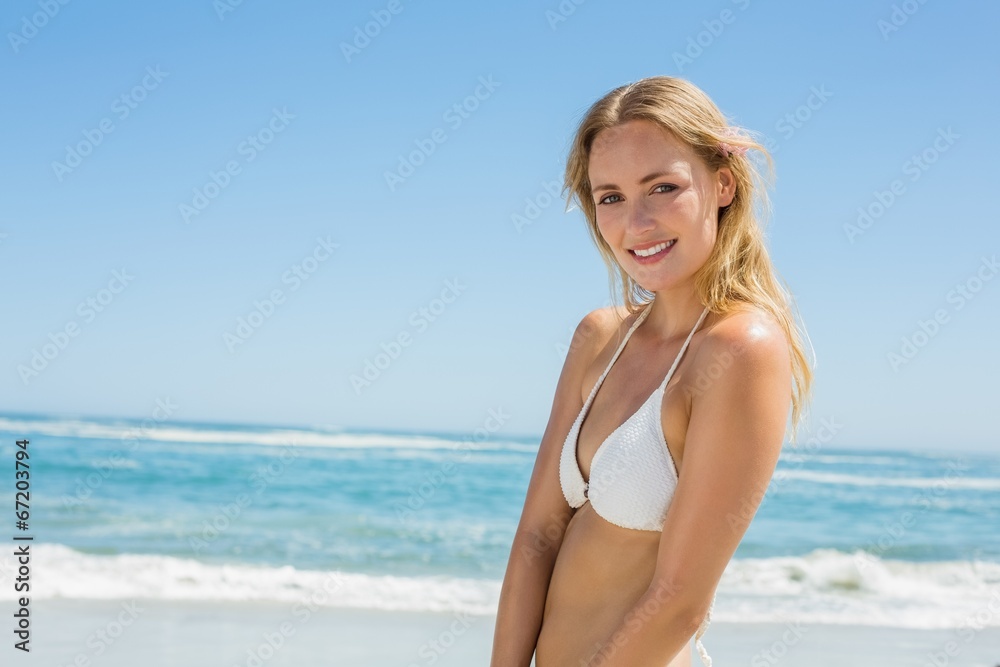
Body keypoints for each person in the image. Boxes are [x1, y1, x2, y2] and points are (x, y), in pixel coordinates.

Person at [490, 75, 814, 667]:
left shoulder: (739, 350)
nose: (635, 223)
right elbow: (537, 537)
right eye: (609, 196)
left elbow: (680, 601)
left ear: (723, 182)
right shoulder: (599, 337)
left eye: (662, 187)